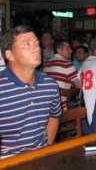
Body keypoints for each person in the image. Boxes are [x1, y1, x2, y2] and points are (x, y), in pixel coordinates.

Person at [0, 25, 62, 158]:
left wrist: (48, 146)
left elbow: (54, 115)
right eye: (27, 44)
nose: (36, 48)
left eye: (37, 43)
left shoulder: (50, 84)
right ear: (9, 54)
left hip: (40, 157)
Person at [43, 40, 81, 110]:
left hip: (47, 104)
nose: (71, 51)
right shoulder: (66, 63)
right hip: (61, 106)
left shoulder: (46, 64)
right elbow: (78, 85)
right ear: (59, 50)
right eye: (68, 48)